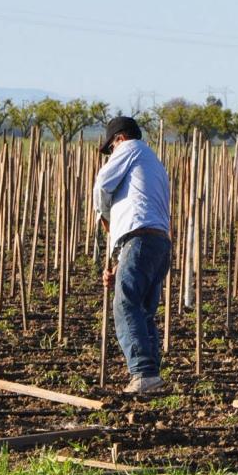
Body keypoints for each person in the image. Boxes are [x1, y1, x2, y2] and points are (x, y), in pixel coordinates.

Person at [94, 116, 172, 395]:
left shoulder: (130, 149)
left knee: (125, 305)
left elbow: (102, 185)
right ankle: (152, 375)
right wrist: (118, 263)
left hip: (138, 240)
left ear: (119, 139)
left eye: (111, 148)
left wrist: (103, 217)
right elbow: (139, 207)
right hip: (158, 244)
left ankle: (143, 372)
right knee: (143, 311)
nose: (111, 154)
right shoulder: (153, 162)